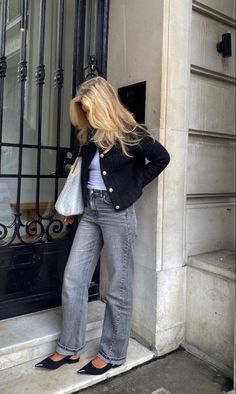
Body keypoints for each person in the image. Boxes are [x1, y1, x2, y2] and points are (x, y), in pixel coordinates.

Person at [35, 76, 170, 375]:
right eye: (82, 110)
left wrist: (134, 187)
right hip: (91, 212)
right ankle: (70, 348)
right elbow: (84, 175)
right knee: (73, 278)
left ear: (103, 104)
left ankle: (113, 353)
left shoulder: (130, 133)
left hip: (117, 213)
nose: (85, 115)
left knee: (120, 285)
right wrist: (76, 205)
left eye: (88, 108)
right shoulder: (90, 135)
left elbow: (162, 158)